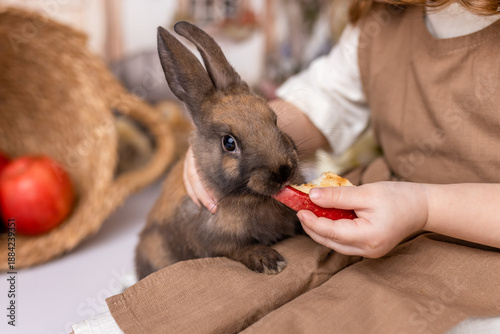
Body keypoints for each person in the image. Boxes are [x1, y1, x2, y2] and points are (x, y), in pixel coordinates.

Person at [74, 0, 500, 333]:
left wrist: (426, 206)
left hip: (480, 241)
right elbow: (327, 97)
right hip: (383, 202)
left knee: (358, 310)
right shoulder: (386, 17)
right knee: (234, 291)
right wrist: (219, 133)